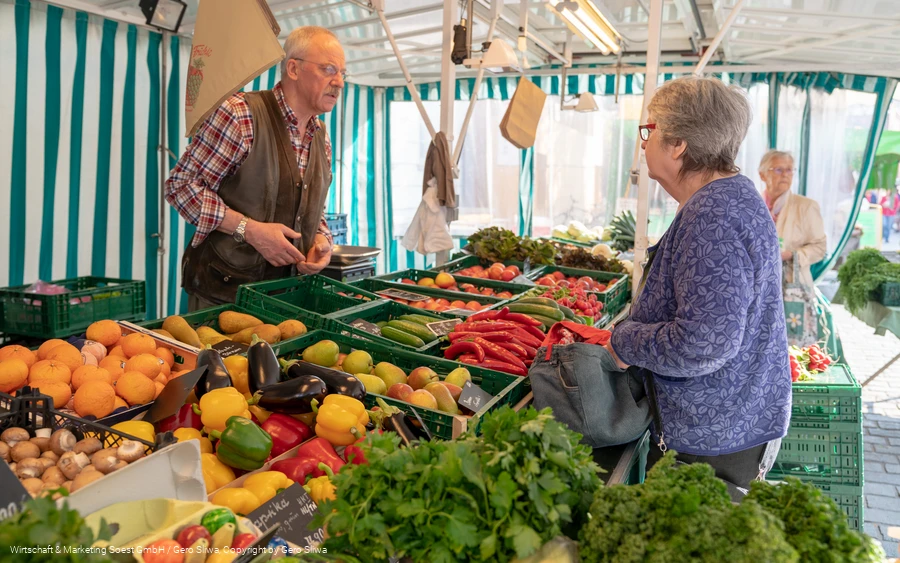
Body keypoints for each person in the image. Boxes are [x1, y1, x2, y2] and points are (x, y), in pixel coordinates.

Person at [604, 76, 790, 492]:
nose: (643, 143)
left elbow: (703, 343)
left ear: (677, 145)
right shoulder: (730, 195)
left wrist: (624, 342)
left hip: (715, 436)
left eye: (648, 131)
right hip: (732, 421)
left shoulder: (712, 215)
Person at [166, 26, 344, 311]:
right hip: (224, 298)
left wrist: (321, 238)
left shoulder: (321, 136)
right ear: (293, 69)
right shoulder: (240, 114)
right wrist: (248, 230)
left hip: (288, 300)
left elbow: (312, 208)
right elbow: (181, 186)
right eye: (329, 69)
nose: (339, 82)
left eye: (343, 73)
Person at [759, 150, 827, 290]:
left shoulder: (807, 206)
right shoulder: (753, 205)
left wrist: (791, 255)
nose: (785, 174)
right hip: (758, 284)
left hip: (793, 287)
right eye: (778, 170)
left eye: (789, 170)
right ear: (762, 175)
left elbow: (820, 248)